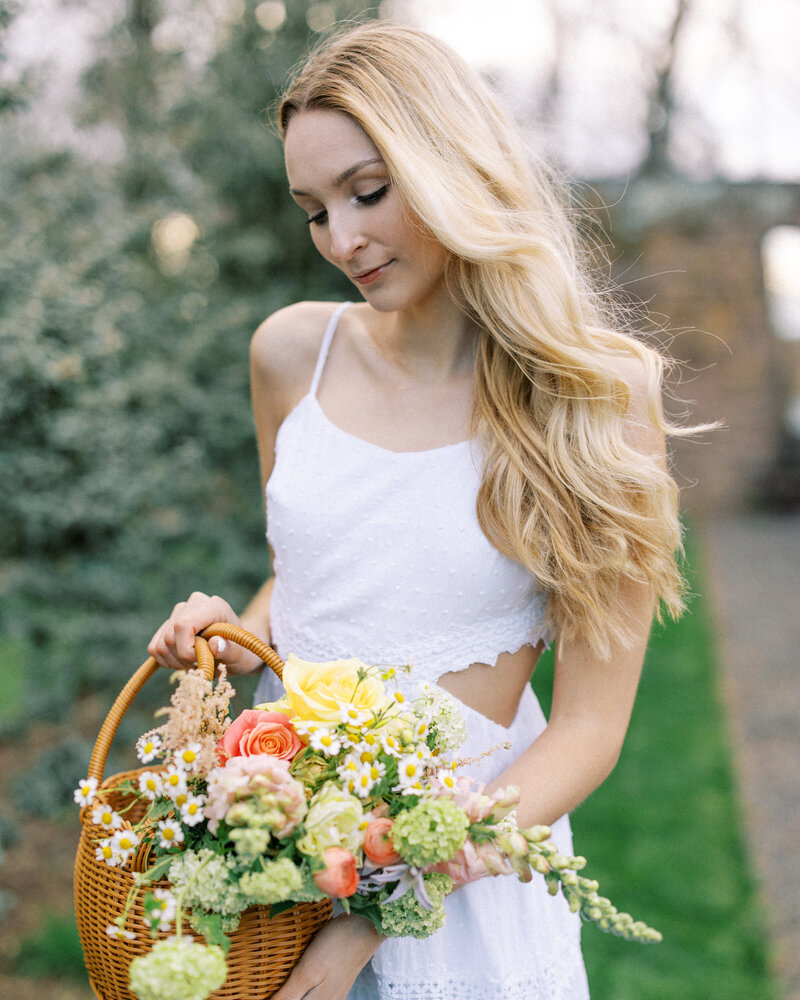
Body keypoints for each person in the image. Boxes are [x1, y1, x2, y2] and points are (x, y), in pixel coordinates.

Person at [148, 20, 688, 1000]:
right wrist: (240, 633)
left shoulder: (594, 396)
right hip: (276, 864)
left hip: (467, 885)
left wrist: (379, 908)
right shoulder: (289, 355)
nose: (340, 240)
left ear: (449, 164)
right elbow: (312, 566)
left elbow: (589, 731)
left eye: (367, 191)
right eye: (312, 209)